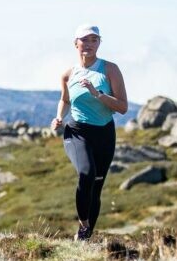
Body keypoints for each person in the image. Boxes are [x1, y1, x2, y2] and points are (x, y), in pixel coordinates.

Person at [50, 25, 128, 240]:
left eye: (94, 40)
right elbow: (65, 100)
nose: (89, 44)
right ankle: (83, 225)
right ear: (76, 43)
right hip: (77, 131)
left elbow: (122, 107)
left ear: (99, 43)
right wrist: (59, 117)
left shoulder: (110, 70)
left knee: (96, 186)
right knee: (86, 173)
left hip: (104, 134)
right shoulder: (68, 74)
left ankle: (85, 236)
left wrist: (98, 94)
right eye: (84, 40)